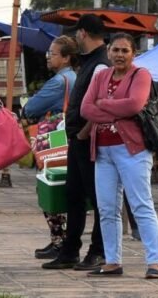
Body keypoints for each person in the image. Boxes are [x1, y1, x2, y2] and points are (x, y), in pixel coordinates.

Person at [80, 32, 158, 279]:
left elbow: (135, 105)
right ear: (108, 52)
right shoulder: (101, 75)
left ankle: (155, 261)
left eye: (124, 51)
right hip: (103, 151)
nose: (119, 55)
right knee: (106, 208)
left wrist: (103, 104)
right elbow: (86, 108)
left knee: (141, 205)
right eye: (115, 50)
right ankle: (112, 261)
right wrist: (115, 110)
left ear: (133, 54)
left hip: (132, 150)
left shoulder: (141, 75)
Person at [42, 14, 109, 271]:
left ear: (83, 33)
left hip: (89, 140)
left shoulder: (100, 64)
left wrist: (83, 133)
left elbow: (100, 105)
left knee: (97, 196)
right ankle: (70, 250)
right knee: (74, 195)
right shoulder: (90, 62)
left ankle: (98, 251)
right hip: (77, 139)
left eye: (76, 34)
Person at [22, 35, 79, 260]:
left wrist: (27, 112)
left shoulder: (59, 82)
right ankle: (61, 240)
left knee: (48, 186)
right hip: (71, 140)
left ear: (66, 58)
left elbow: (32, 107)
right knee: (66, 190)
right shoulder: (75, 77)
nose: (48, 57)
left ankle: (59, 240)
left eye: (53, 53)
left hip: (54, 141)